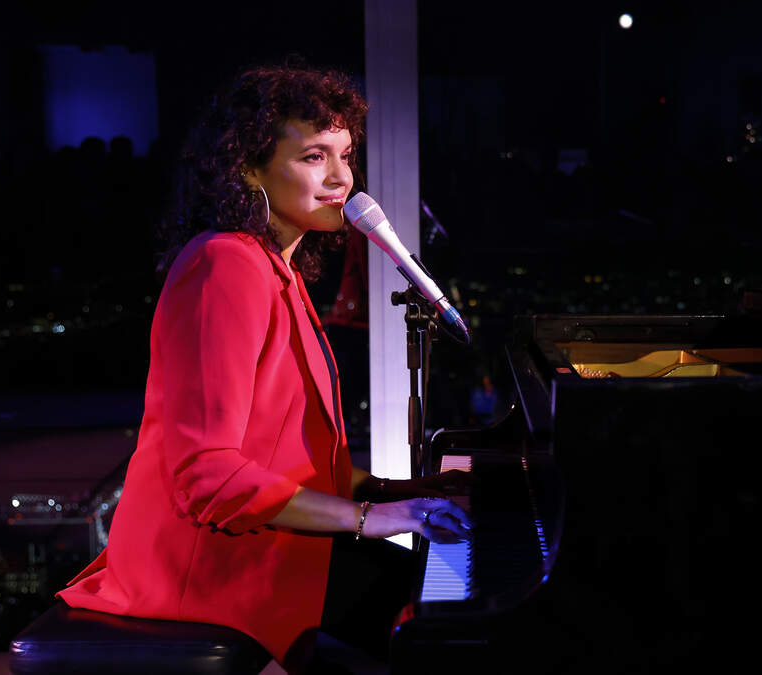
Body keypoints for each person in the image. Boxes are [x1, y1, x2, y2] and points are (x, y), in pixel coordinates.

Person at [55, 60, 471, 674]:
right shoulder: (224, 265)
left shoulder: (278, 271)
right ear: (248, 168)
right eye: (313, 157)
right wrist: (371, 518)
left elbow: (294, 465)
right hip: (211, 565)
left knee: (448, 612)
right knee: (442, 635)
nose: (341, 178)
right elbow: (208, 475)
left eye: (345, 155)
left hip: (271, 548)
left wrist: (404, 493)